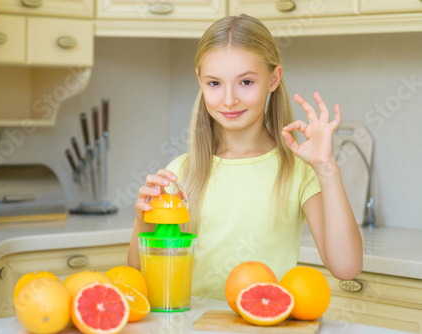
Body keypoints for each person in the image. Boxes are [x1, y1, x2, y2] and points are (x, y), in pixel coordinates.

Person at [128, 14, 363, 301]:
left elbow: (347, 267)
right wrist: (143, 222)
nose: (229, 99)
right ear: (200, 81)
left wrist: (326, 167)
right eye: (214, 83)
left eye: (246, 82)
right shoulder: (181, 172)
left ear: (273, 79)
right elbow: (141, 279)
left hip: (264, 324)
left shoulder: (298, 170)